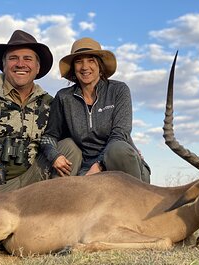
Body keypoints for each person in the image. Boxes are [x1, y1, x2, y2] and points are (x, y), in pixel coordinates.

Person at [0, 30, 78, 198]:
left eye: (27, 58)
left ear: (37, 67)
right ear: (4, 65)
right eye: (13, 58)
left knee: (70, 148)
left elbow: (74, 135)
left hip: (33, 181)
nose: (20, 64)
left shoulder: (49, 102)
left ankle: (54, 207)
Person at [40, 37, 151, 182]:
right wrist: (54, 155)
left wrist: (99, 165)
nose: (85, 67)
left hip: (121, 163)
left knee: (118, 149)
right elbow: (50, 136)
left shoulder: (119, 90)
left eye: (91, 60)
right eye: (79, 61)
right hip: (86, 169)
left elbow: (120, 133)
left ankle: (138, 199)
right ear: (73, 67)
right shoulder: (64, 97)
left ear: (100, 65)